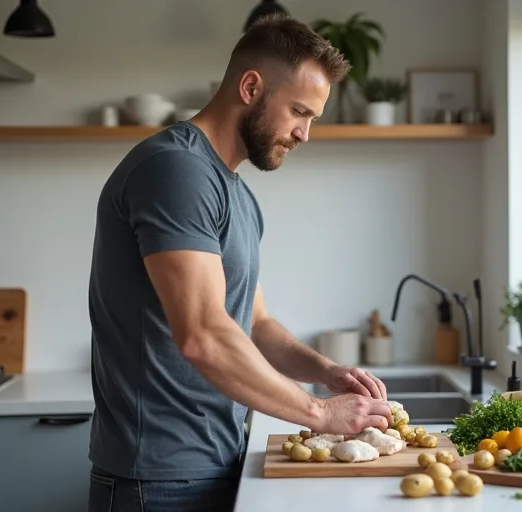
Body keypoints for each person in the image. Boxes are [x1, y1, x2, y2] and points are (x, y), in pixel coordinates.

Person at [86, 13, 393, 512]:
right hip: (158, 480)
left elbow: (254, 322)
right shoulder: (176, 170)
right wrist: (319, 412)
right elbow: (203, 334)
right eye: (299, 111)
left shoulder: (236, 194)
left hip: (215, 461)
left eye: (312, 118)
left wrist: (326, 371)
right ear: (251, 87)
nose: (305, 134)